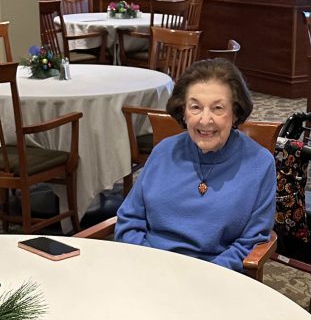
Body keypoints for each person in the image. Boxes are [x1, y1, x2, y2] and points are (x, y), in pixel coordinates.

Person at [115, 58, 276, 272]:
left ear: (235, 112)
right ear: (183, 111)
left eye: (217, 108)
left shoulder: (260, 163)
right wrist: (151, 267)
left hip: (214, 277)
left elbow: (251, 241)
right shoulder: (163, 151)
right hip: (149, 269)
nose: (205, 119)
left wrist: (202, 277)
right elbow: (129, 220)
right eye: (195, 107)